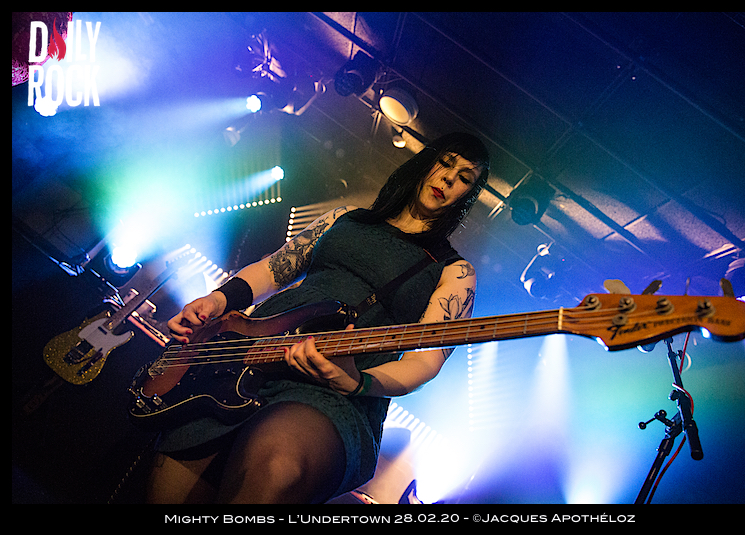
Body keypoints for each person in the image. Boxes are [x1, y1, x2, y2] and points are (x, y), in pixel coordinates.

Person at [147, 132, 491, 504]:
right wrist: (218, 299)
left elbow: (425, 362)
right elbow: (273, 269)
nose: (448, 178)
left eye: (464, 178)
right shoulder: (345, 218)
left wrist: (358, 382)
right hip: (244, 360)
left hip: (330, 394)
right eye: (445, 163)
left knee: (278, 466)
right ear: (426, 162)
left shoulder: (455, 272)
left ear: (467, 196)